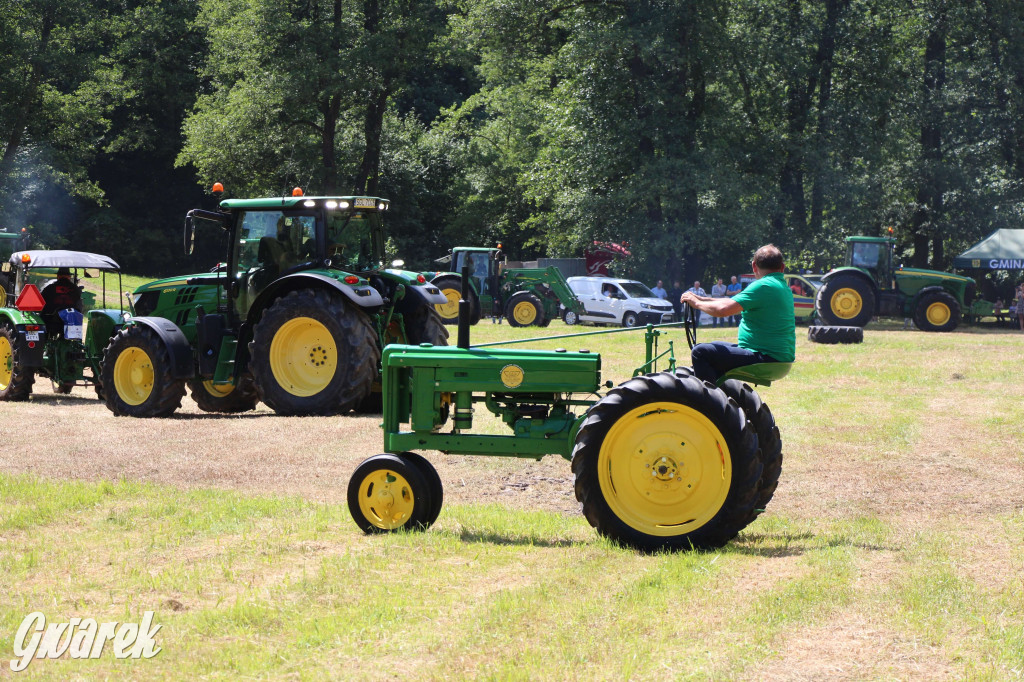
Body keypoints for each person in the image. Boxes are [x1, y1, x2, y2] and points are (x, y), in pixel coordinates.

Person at [680, 245, 795, 384]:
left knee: (700, 353)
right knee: (714, 346)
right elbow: (732, 301)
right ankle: (718, 396)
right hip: (777, 358)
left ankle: (708, 402)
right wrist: (701, 299)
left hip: (766, 358)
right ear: (782, 267)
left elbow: (723, 310)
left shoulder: (763, 286)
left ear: (754, 266)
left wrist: (696, 303)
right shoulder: (780, 285)